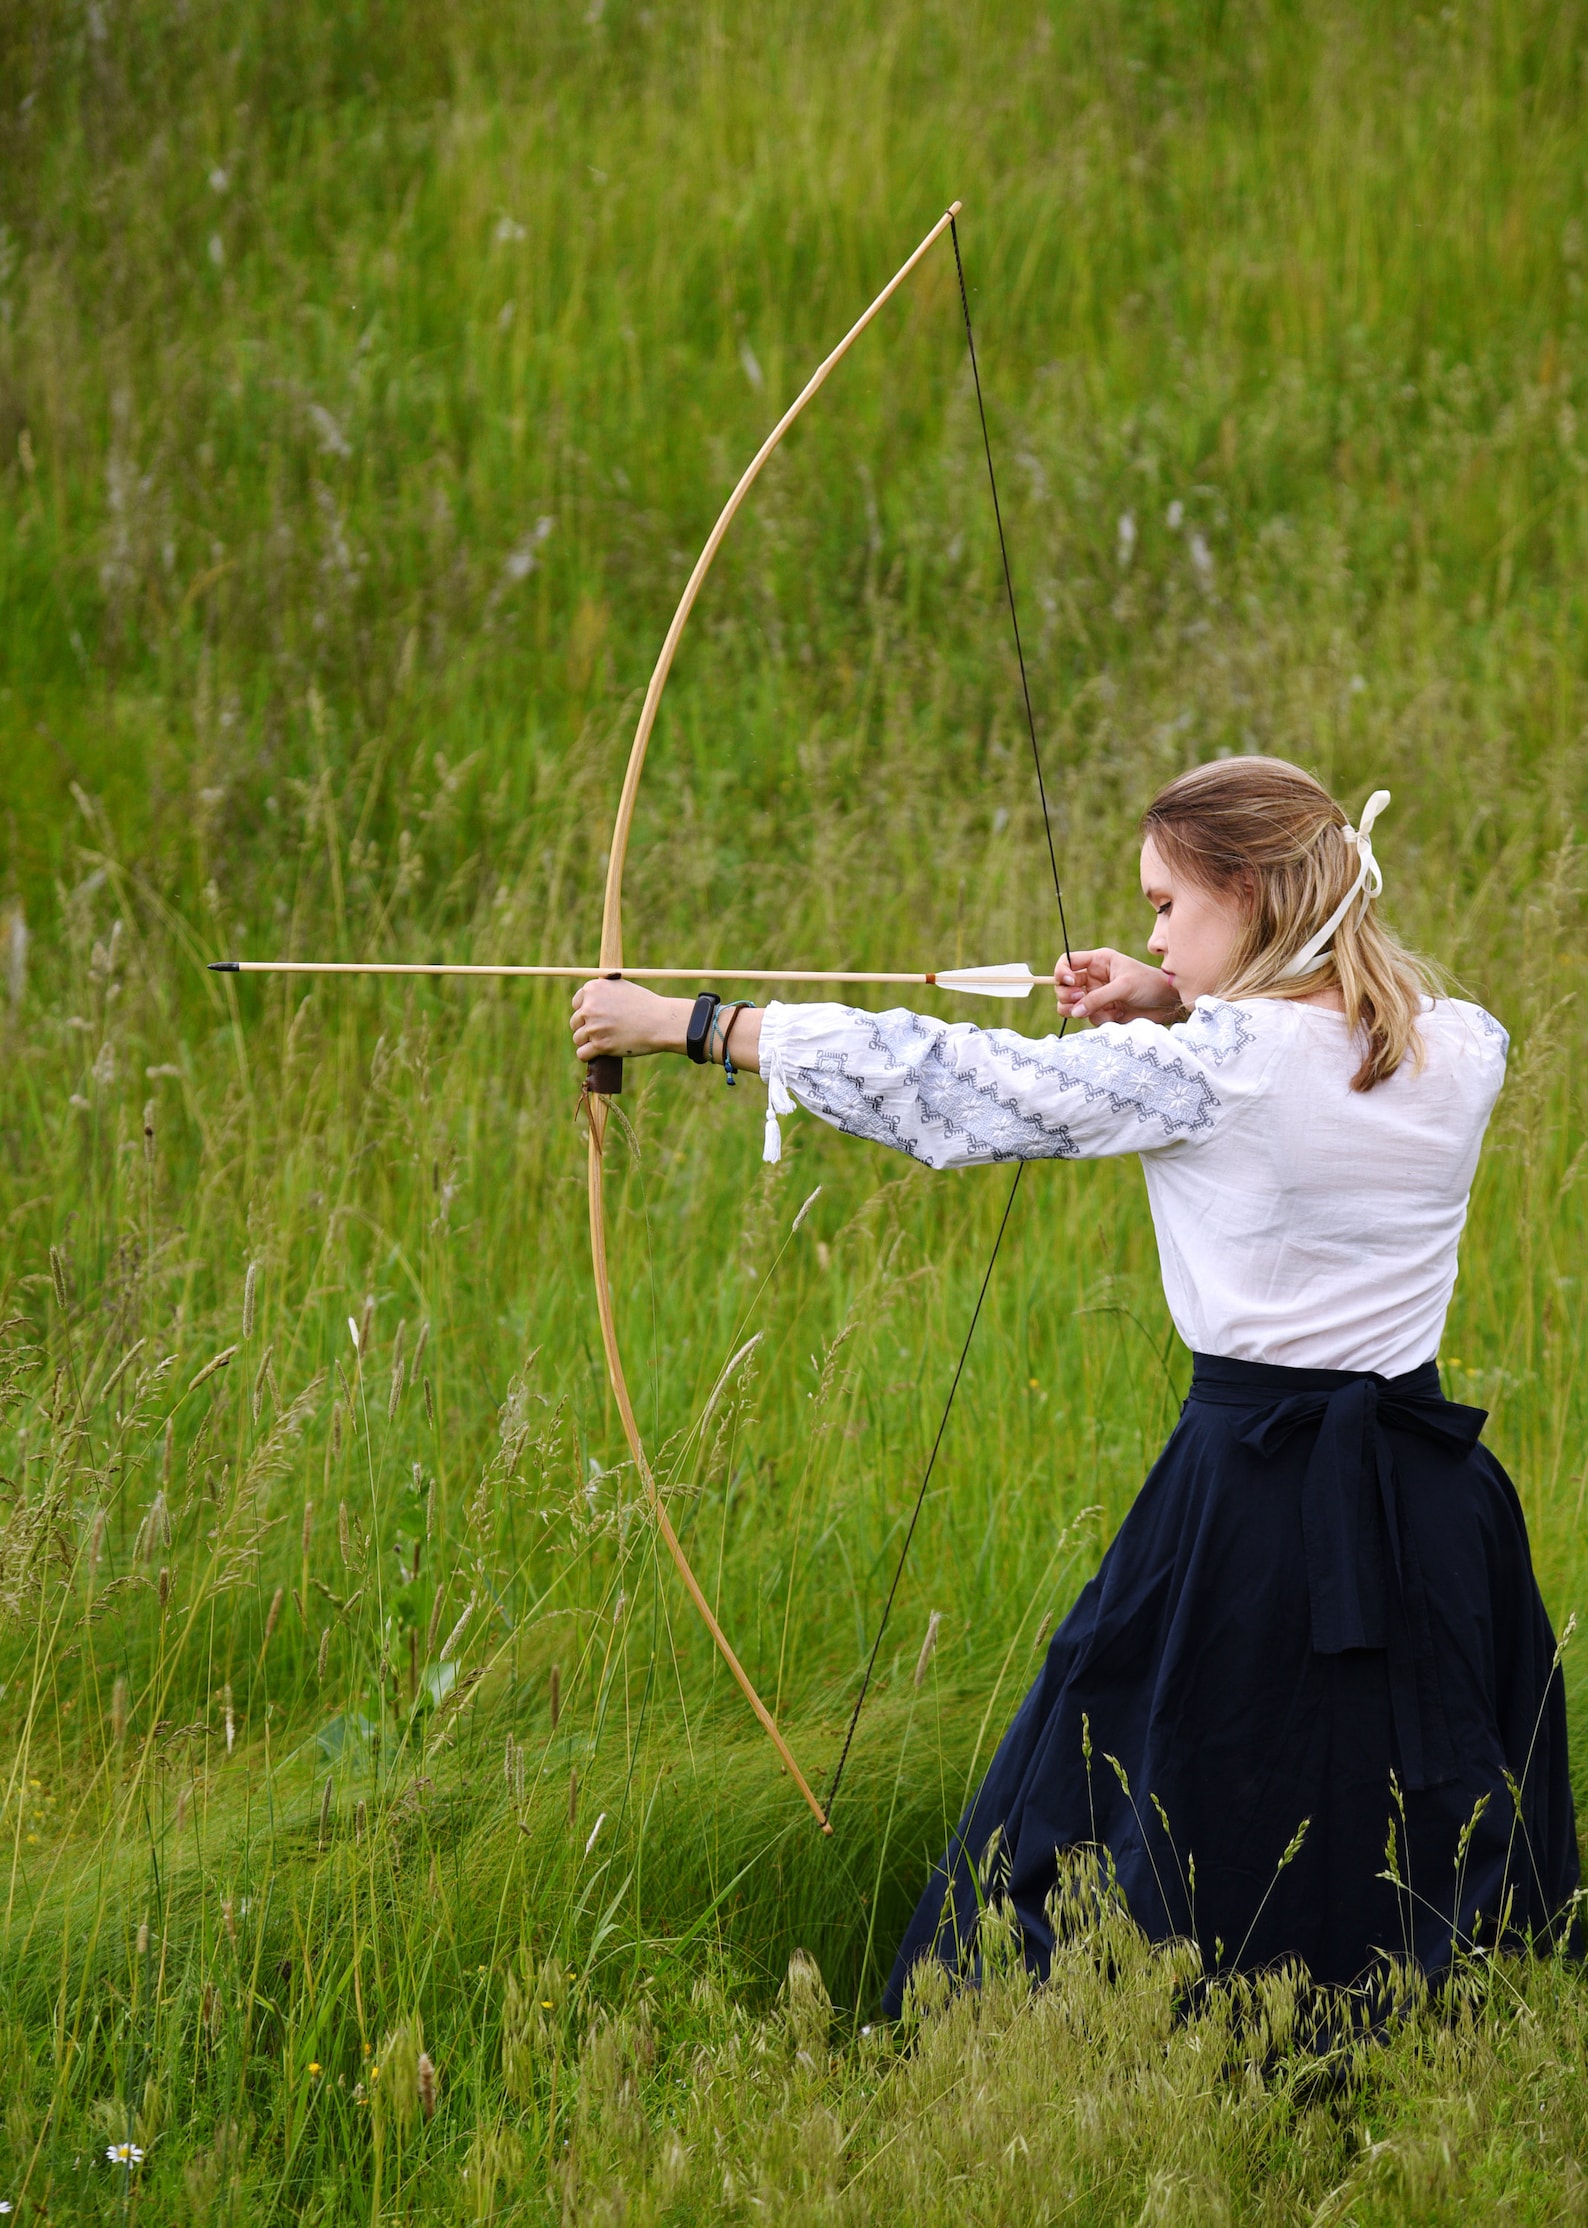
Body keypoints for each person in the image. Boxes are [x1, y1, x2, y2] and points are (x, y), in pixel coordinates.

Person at [570, 756, 1579, 2005]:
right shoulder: (1461, 1048)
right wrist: (1174, 993)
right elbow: (1324, 1041)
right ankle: (1411, 2046)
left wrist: (695, 1023)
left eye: (1165, 904)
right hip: (1433, 1500)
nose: (1150, 928)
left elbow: (960, 1081)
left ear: (1253, 892)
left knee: (1152, 1799)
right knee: (1405, 1799)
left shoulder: (1210, 1069)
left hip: (1248, 1508)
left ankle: (1131, 2054)